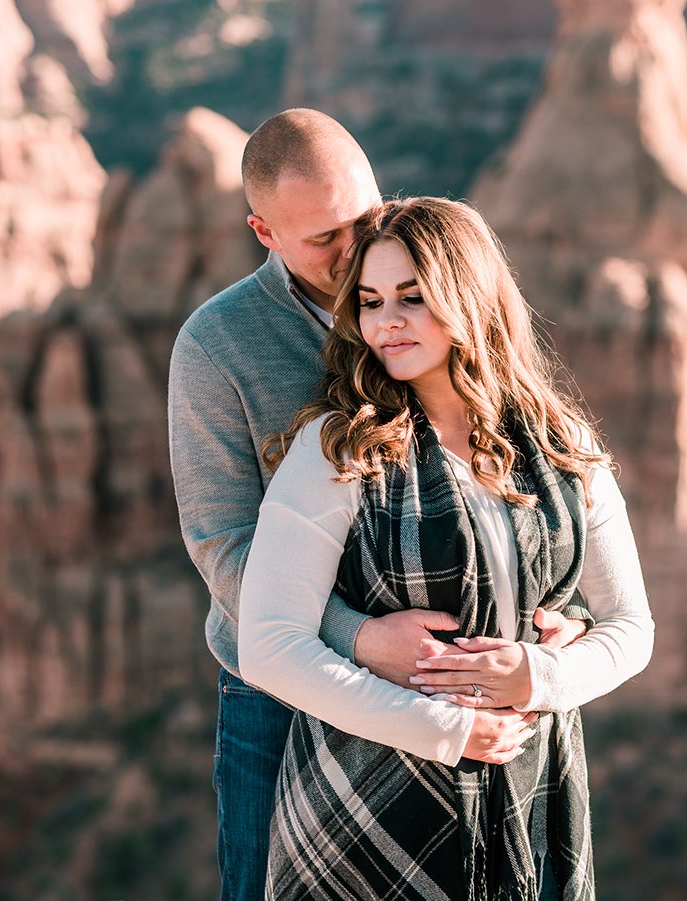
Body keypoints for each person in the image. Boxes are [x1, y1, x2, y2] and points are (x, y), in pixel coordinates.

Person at [168, 110, 593, 901]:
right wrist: (359, 638)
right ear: (264, 231)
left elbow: (511, 476)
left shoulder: (429, 296)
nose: (355, 249)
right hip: (280, 690)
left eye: (365, 217)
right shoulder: (217, 346)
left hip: (456, 683)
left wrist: (563, 611)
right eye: (325, 238)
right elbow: (222, 544)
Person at [238, 197, 654, 899]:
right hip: (364, 809)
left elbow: (632, 629)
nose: (386, 321)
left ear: (468, 293)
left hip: (531, 788)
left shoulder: (563, 448)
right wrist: (444, 726)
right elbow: (270, 643)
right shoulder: (339, 448)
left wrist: (540, 676)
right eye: (369, 301)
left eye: (412, 297)